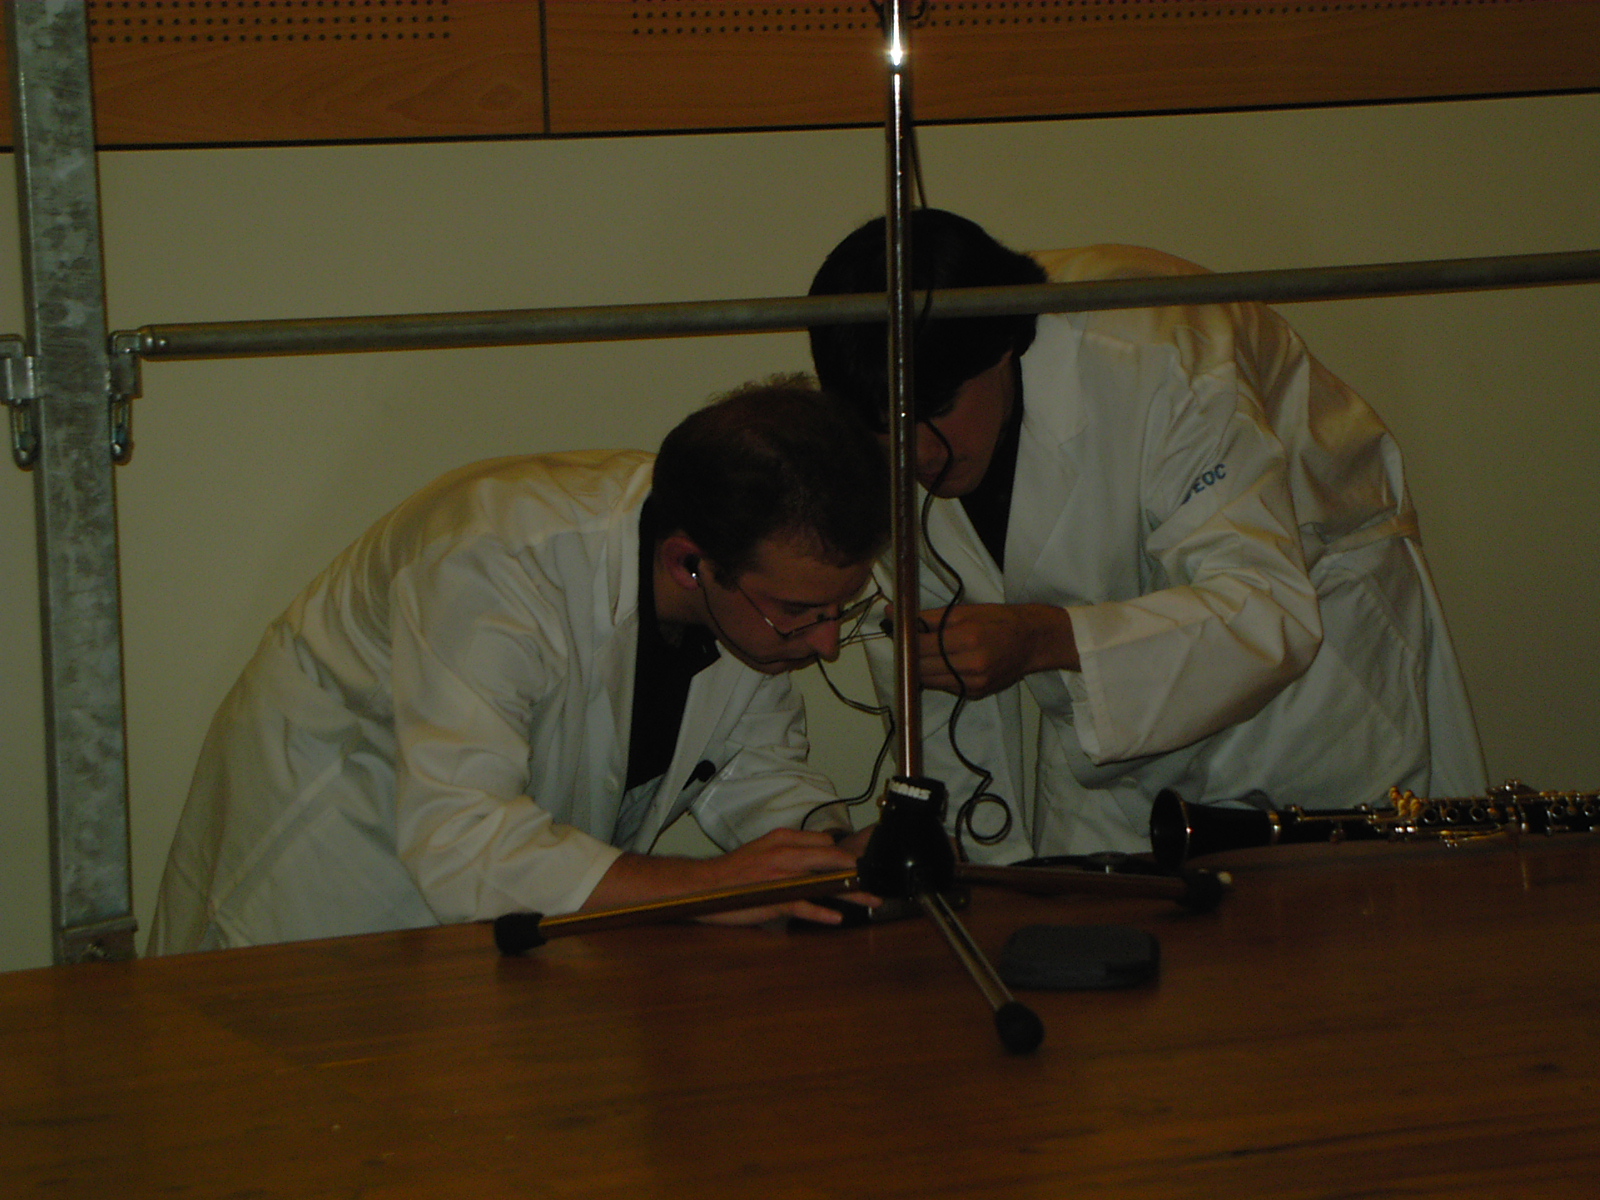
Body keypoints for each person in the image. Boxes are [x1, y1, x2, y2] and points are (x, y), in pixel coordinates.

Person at [807, 209, 1486, 861]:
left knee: (1338, 914)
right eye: (887, 430)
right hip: (1105, 727)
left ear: (1005, 347)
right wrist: (962, 854)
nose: (919, 453)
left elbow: (1263, 607)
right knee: (1083, 915)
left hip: (1309, 680)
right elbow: (936, 688)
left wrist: (1042, 638)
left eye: (937, 410)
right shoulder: (879, 433)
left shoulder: (1156, 350)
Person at [148, 378, 888, 953]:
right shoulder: (493, 562)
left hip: (483, 930)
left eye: (840, 609)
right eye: (801, 612)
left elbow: (751, 763)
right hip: (332, 879)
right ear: (688, 565)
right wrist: (708, 887)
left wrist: (831, 854)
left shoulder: (748, 574)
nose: (826, 644)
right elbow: (465, 840)